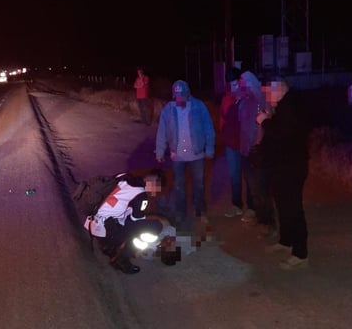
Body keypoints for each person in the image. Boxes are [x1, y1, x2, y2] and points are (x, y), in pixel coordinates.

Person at [257, 80, 310, 270]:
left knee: (292, 208)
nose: (268, 98)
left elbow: (282, 134)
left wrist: (265, 121)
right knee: (282, 205)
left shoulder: (289, 108)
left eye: (269, 94)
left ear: (279, 92)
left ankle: (300, 253)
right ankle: (286, 241)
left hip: (291, 168)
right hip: (283, 167)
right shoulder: (285, 106)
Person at [155, 80, 215, 229]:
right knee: (179, 186)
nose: (179, 99)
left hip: (197, 154)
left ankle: (200, 210)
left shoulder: (198, 106)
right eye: (176, 96)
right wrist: (160, 150)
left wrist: (210, 148)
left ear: (188, 93)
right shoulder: (168, 109)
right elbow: (162, 131)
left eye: (182, 95)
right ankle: (181, 213)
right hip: (177, 156)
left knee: (199, 185)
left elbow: (208, 128)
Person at [84, 170, 165, 274]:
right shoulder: (141, 195)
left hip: (92, 222)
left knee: (128, 217)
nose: (155, 193)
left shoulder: (123, 176)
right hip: (105, 230)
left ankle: (108, 246)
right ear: (154, 185)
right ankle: (121, 259)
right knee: (154, 226)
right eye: (157, 189)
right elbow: (137, 221)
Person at [234, 70, 266, 223]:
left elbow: (262, 125)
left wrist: (258, 145)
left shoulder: (260, 100)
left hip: (256, 148)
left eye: (243, 84)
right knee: (249, 181)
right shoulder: (243, 100)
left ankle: (262, 214)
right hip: (245, 148)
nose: (241, 87)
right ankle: (252, 210)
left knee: (258, 182)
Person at [220, 67, 248, 218]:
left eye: (236, 83)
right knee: (234, 176)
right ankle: (236, 205)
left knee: (250, 178)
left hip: (246, 144)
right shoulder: (227, 99)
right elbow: (222, 120)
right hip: (231, 144)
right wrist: (225, 136)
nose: (233, 86)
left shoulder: (248, 98)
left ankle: (253, 208)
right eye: (231, 84)